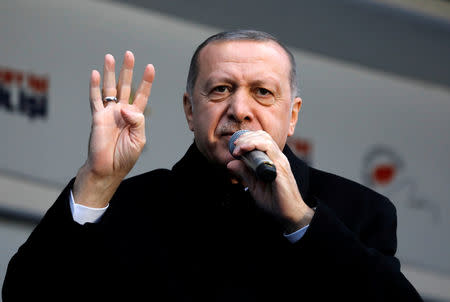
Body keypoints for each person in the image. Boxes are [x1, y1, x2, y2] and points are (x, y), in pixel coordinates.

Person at [3, 30, 423, 301]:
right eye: (220, 89)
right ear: (190, 110)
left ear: (292, 115)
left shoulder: (357, 211)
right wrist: (97, 180)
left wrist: (300, 221)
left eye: (262, 92)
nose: (239, 110)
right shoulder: (128, 203)